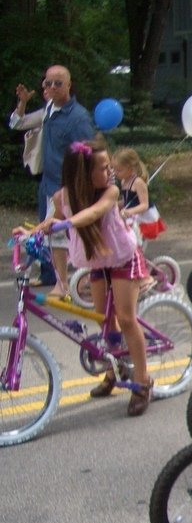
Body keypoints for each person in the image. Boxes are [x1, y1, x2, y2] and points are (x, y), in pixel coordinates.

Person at [36, 139, 153, 416]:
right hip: (98, 262)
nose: (110, 171)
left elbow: (96, 212)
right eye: (103, 167)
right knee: (104, 320)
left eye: (110, 165)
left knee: (125, 318)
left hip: (123, 257)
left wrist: (69, 221)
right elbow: (51, 223)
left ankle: (142, 381)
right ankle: (116, 369)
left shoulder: (111, 191)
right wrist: (35, 232)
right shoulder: (62, 197)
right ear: (84, 174)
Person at [12, 65, 95, 291]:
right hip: (47, 184)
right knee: (52, 236)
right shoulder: (48, 110)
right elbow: (16, 123)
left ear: (69, 85)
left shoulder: (78, 118)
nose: (52, 87)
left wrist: (81, 186)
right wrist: (22, 103)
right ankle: (59, 280)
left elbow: (89, 154)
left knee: (61, 234)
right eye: (48, 83)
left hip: (65, 187)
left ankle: (74, 281)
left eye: (58, 83)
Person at [112, 148, 166, 244]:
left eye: (119, 170)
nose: (115, 173)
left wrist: (128, 211)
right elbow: (128, 201)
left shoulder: (138, 182)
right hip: (131, 217)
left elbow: (144, 205)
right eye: (114, 169)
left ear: (131, 168)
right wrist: (114, 205)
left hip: (142, 218)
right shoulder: (124, 181)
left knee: (136, 243)